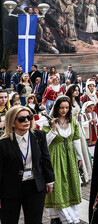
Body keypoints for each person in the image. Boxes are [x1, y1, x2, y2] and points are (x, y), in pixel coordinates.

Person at [0, 106, 55, 224]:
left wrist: (50, 180)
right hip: (10, 188)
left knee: (35, 221)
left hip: (35, 186)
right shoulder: (3, 143)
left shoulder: (39, 136)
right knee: (9, 221)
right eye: (21, 119)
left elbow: (45, 159)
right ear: (12, 123)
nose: (27, 121)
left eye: (29, 117)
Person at [43, 95, 84, 224]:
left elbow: (76, 139)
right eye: (61, 108)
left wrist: (79, 157)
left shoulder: (73, 121)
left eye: (66, 108)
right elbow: (45, 143)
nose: (64, 110)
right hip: (55, 156)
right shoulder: (48, 122)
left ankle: (72, 216)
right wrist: (53, 128)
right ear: (56, 108)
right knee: (58, 185)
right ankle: (61, 217)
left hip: (70, 156)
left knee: (71, 184)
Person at [66, 84, 92, 184]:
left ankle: (85, 173)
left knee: (82, 148)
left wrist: (80, 116)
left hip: (78, 126)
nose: (76, 92)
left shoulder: (78, 101)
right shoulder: (66, 101)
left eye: (78, 90)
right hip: (70, 126)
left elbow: (79, 112)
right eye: (74, 90)